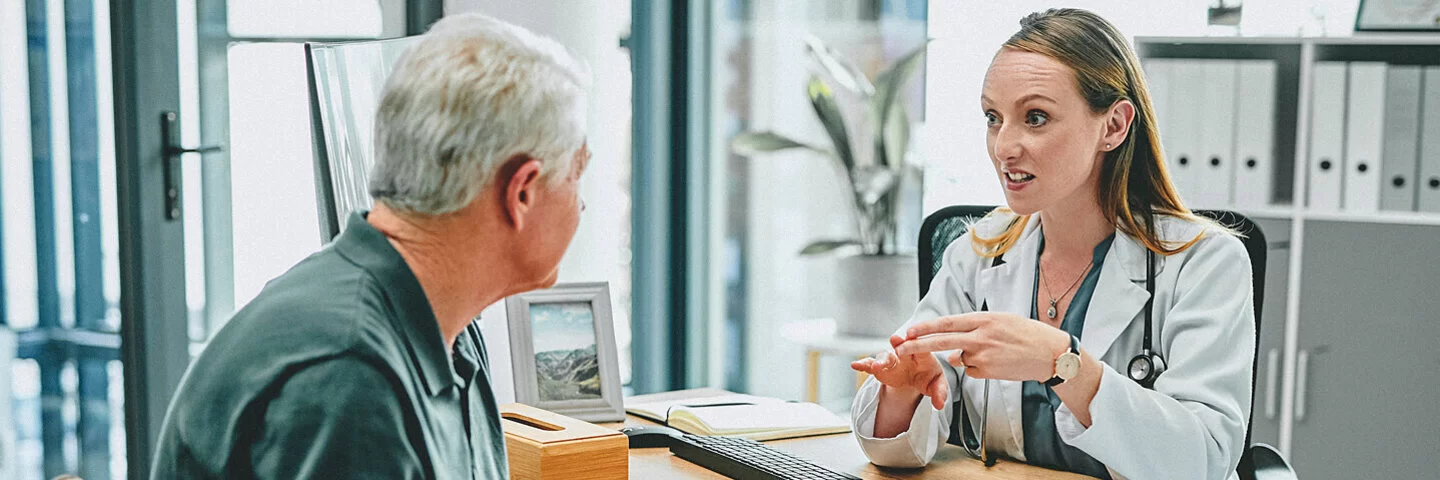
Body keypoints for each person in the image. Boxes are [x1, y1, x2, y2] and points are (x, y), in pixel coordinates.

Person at [149, 13, 591, 479]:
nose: (584, 206)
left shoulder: (452, 326)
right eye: (577, 175)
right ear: (521, 191)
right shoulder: (350, 377)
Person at [848, 8, 1254, 480]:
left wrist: (1063, 365)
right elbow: (896, 450)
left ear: (1114, 125)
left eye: (1035, 117)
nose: (1004, 146)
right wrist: (903, 393)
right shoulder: (977, 253)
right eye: (993, 118)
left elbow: (1204, 461)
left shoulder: (1204, 263)